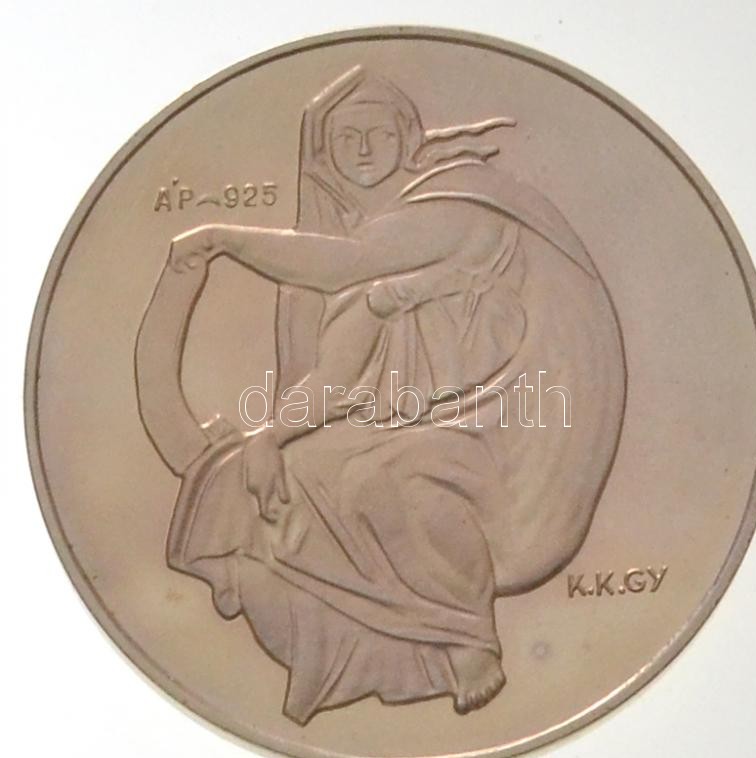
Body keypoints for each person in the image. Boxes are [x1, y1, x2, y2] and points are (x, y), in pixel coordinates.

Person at [136, 66, 626, 724]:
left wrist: (223, 239)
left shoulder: (457, 205)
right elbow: (335, 379)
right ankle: (369, 657)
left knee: (379, 476)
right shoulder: (376, 277)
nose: (363, 149)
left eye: (378, 133)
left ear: (407, 139)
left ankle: (466, 638)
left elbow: (340, 262)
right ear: (325, 157)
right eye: (346, 138)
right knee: (286, 477)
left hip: (520, 434)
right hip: (429, 428)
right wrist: (269, 438)